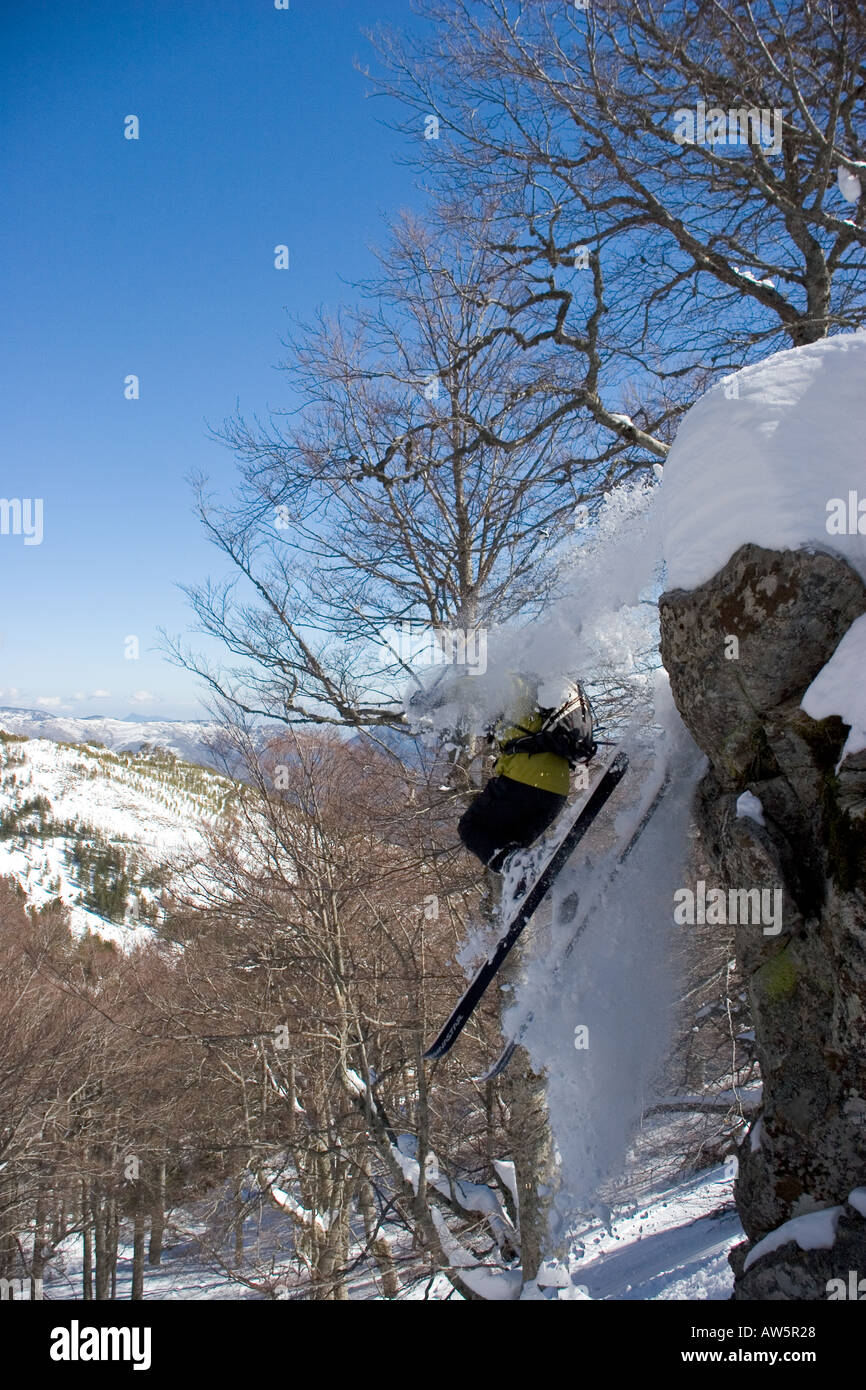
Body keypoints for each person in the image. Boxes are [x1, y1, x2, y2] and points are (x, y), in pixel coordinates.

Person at [456, 674, 596, 872]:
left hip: (525, 783)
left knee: (471, 828)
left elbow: (471, 683)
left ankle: (522, 870)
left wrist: (431, 697)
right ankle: (560, 884)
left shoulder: (516, 680)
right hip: (556, 794)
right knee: (511, 851)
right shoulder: (548, 687)